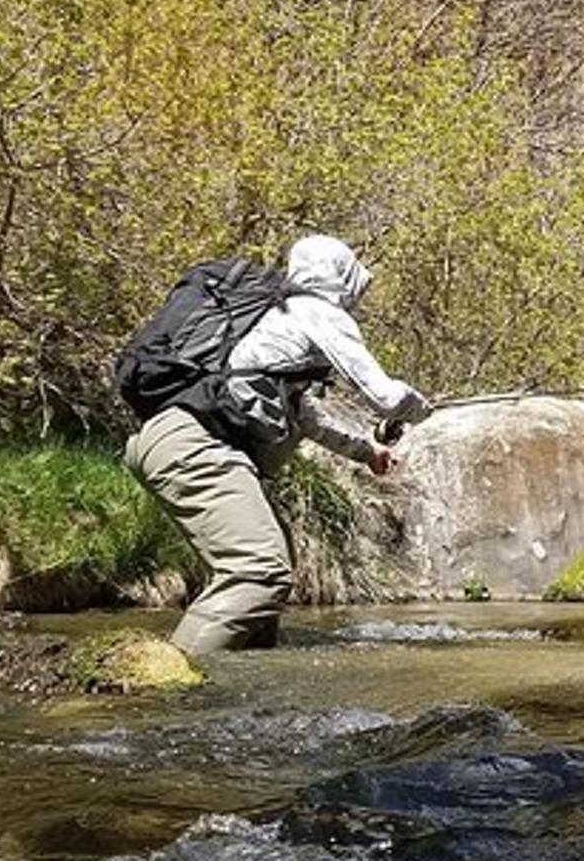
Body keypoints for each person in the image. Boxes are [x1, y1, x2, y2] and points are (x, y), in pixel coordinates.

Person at [123, 235, 430, 655]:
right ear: (342, 277)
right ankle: (164, 686)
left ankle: (245, 685)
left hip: (173, 440)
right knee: (258, 572)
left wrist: (367, 452)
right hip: (197, 445)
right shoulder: (317, 311)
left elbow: (308, 418)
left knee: (270, 568)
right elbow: (387, 398)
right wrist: (421, 409)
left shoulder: (274, 319)